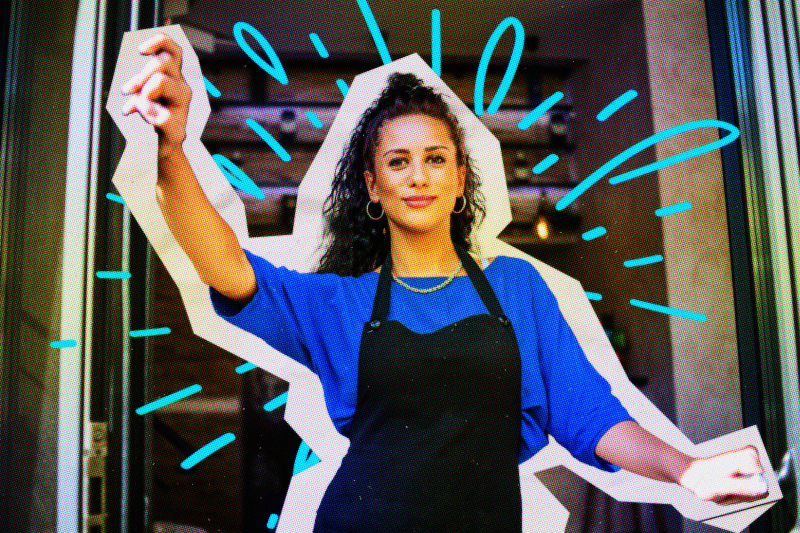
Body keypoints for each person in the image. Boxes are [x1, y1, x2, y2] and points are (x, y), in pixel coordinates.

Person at [121, 32, 769, 532]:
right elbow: (226, 267)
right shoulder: (339, 304)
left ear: (461, 176)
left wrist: (687, 468)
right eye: (397, 161)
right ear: (373, 185)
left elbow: (590, 416)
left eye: (436, 158)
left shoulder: (518, 288)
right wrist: (174, 151)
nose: (419, 175)